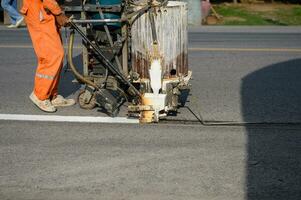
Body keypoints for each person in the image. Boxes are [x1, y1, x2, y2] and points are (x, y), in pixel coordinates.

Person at [20, 0, 75, 113]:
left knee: (57, 54)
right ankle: (40, 95)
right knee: (51, 56)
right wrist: (59, 13)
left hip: (44, 8)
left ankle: (51, 95)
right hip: (38, 9)